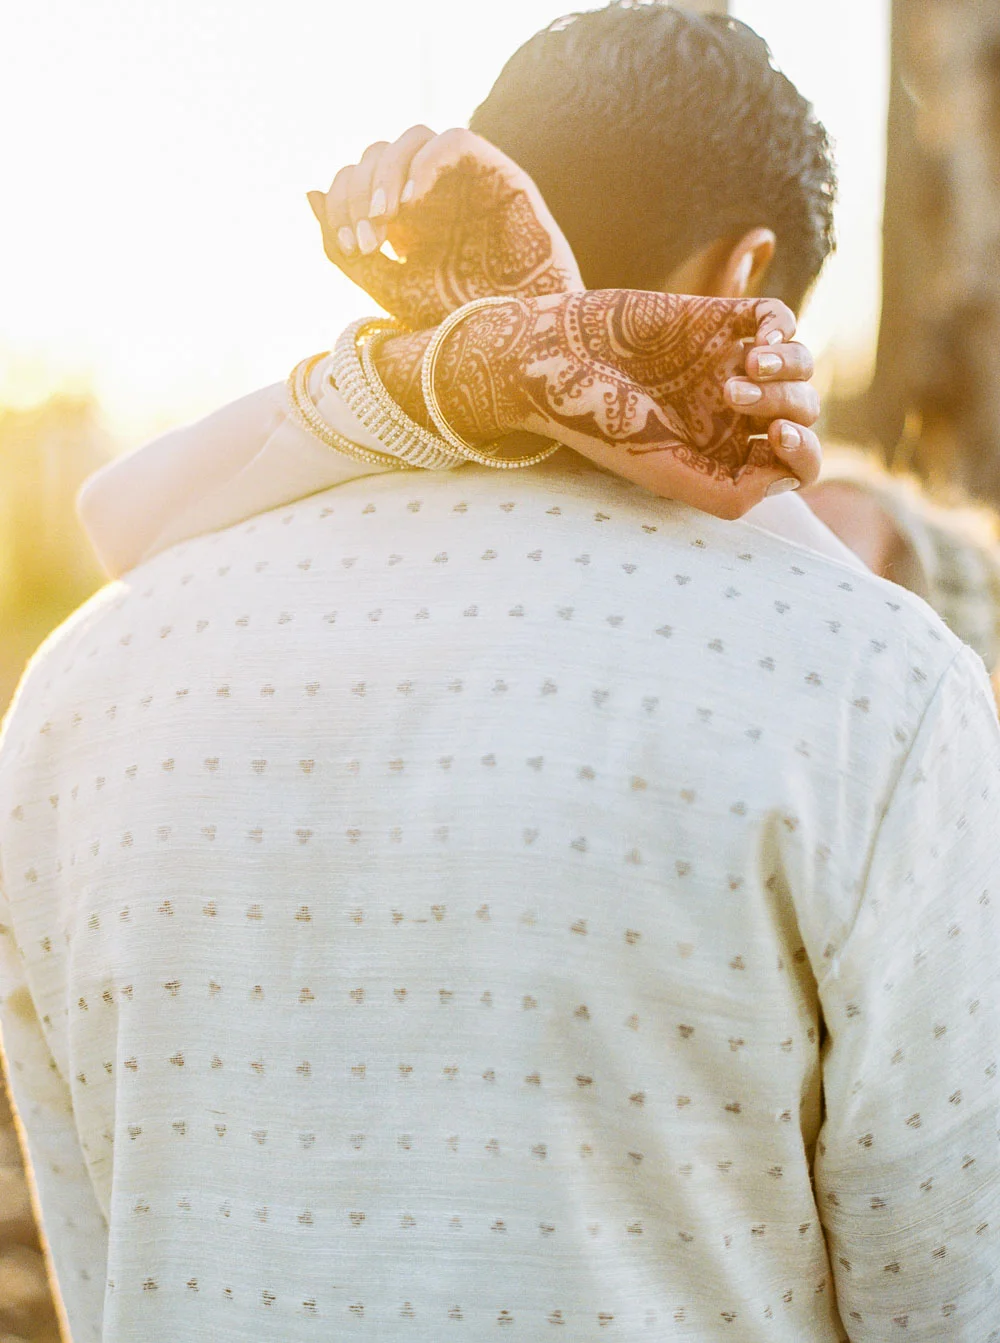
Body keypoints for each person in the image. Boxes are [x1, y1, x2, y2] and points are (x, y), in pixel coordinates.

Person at [2, 7, 999, 1343]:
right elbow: (947, 1291)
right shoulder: (874, 694)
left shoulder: (82, 689)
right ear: (750, 272)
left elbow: (104, 1257)